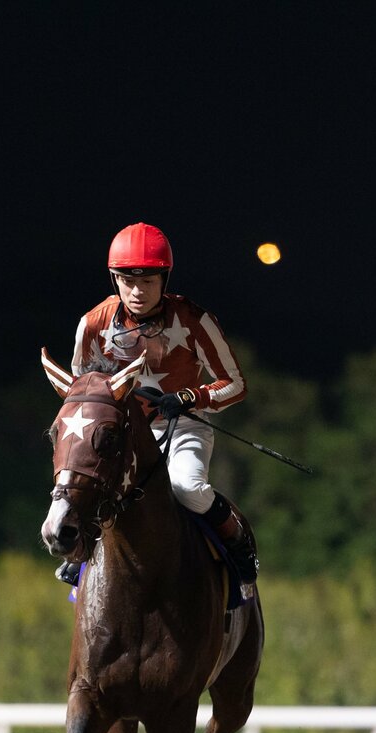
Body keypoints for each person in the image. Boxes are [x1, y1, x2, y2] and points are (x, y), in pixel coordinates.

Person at [60, 221, 258, 587]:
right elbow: (80, 394)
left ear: (164, 279)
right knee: (85, 485)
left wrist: (189, 397)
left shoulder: (196, 320)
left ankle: (238, 545)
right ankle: (80, 551)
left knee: (186, 488)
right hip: (121, 434)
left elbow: (236, 385)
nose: (137, 291)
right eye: (127, 280)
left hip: (182, 427)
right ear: (114, 279)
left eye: (148, 281)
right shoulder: (91, 323)